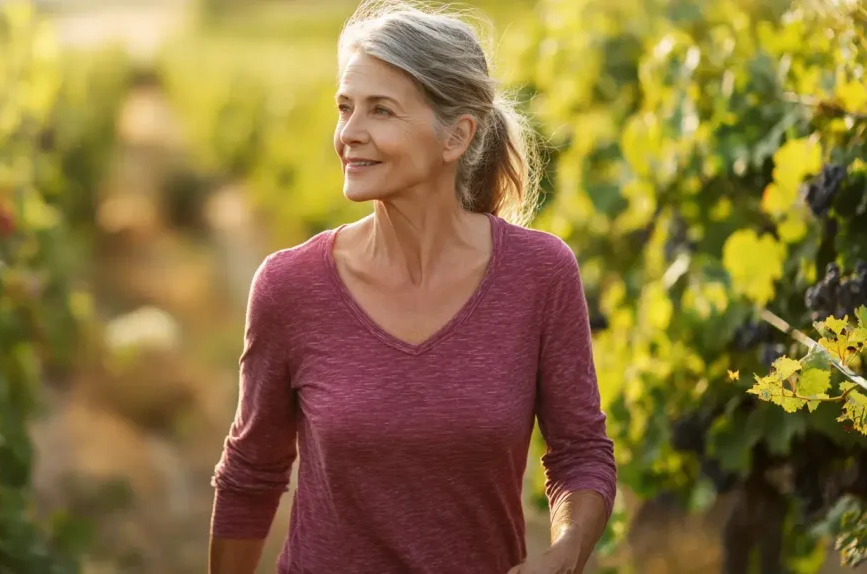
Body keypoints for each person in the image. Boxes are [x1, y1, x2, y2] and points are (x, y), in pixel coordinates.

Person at [208, 1, 617, 572]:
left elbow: (580, 453)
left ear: (456, 137)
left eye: (380, 110)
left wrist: (567, 552)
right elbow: (250, 474)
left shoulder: (540, 274)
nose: (349, 134)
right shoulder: (289, 285)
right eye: (345, 107)